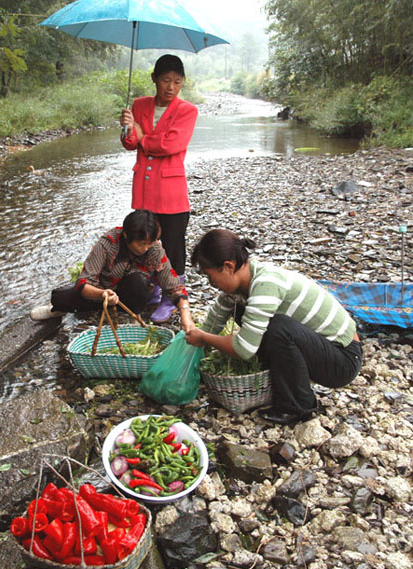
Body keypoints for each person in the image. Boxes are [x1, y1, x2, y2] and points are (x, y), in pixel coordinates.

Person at [184, 229, 363, 425]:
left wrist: (203, 338)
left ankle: (299, 406)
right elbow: (213, 324)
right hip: (320, 348)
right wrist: (189, 353)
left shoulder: (266, 283)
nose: (211, 283)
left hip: (343, 360)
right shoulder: (238, 285)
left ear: (228, 266)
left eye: (210, 276)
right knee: (245, 313)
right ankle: (281, 376)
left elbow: (243, 349)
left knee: (278, 328)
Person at [120, 54, 198, 323]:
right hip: (144, 189)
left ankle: (172, 297)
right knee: (145, 241)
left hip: (172, 193)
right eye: (165, 80)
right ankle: (152, 288)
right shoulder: (140, 105)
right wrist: (128, 129)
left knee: (174, 246)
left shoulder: (188, 110)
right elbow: (130, 144)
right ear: (154, 78)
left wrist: (143, 136)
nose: (171, 87)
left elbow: (171, 145)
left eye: (177, 82)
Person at [30, 210, 195, 334]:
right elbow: (84, 283)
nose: (145, 248)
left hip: (130, 294)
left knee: (139, 281)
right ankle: (57, 310)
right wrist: (102, 295)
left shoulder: (154, 248)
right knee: (60, 297)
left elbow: (174, 286)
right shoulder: (107, 244)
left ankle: (134, 315)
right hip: (101, 292)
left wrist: (185, 314)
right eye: (141, 243)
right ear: (126, 235)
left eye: (149, 243)